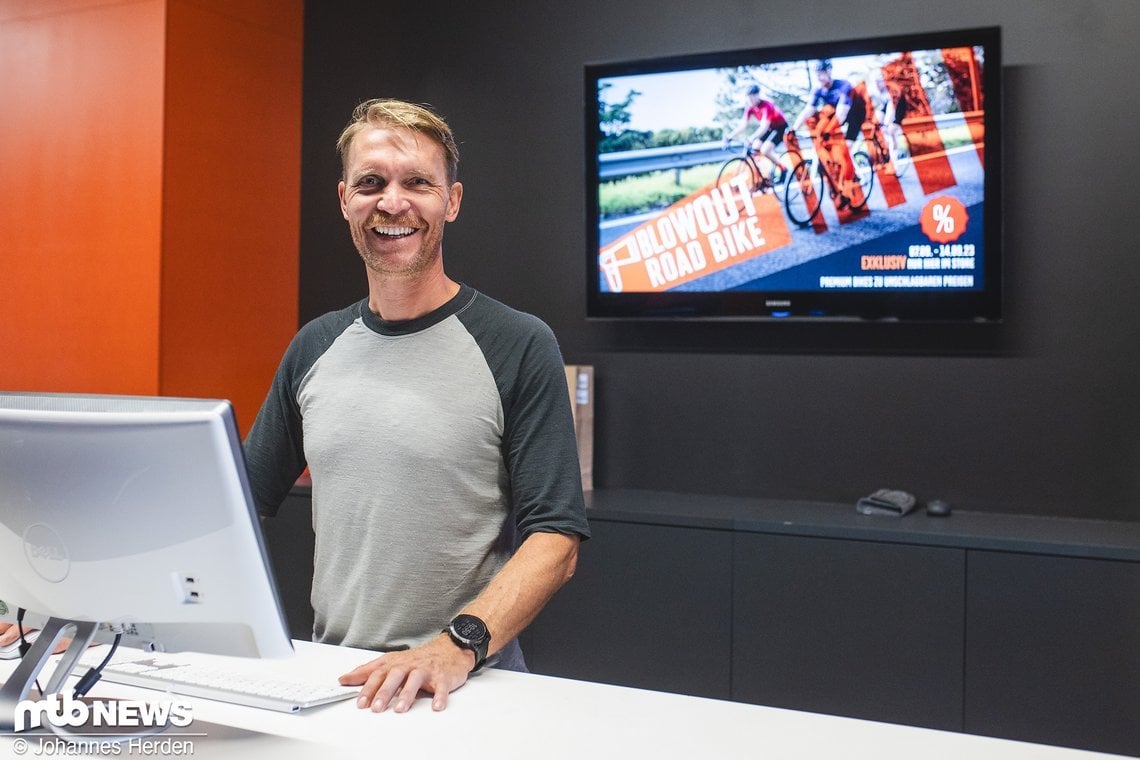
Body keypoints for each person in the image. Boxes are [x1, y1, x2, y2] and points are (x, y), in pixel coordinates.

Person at [242, 99, 592, 713]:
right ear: (345, 198)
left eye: (418, 183)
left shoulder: (517, 343)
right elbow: (235, 506)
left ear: (451, 201)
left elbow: (556, 539)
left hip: (466, 686)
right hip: (339, 682)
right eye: (371, 183)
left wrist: (456, 646)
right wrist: (100, 612)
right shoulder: (314, 346)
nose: (392, 202)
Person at [722, 83, 789, 187]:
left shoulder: (767, 105)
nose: (750, 101)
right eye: (748, 98)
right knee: (754, 148)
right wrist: (730, 136)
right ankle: (762, 177)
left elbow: (764, 127)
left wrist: (751, 138)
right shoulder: (750, 107)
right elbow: (743, 124)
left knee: (765, 150)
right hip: (770, 127)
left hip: (780, 127)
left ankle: (784, 169)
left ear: (758, 95)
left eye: (752, 98)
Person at [790, 59, 867, 147]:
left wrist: (829, 131)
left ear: (829, 72)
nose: (819, 78)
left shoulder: (843, 85)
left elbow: (841, 113)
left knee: (847, 147)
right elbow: (808, 110)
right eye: (817, 75)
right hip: (837, 115)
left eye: (821, 74)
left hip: (854, 114)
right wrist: (794, 128)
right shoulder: (818, 89)